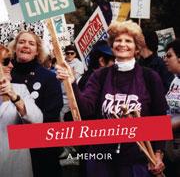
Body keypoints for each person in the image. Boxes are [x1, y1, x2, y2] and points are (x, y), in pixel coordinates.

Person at [56, 20, 167, 177]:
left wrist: (158, 153)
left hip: (136, 161)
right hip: (102, 160)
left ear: (137, 48)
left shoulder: (150, 77)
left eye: (128, 41)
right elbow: (86, 109)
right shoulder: (99, 76)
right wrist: (72, 83)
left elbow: (160, 117)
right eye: (118, 40)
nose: (122, 44)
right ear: (112, 45)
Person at [10, 31, 63, 177]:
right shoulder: (4, 75)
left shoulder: (49, 78)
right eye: (22, 42)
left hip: (40, 152)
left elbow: (51, 119)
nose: (26, 46)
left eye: (31, 43)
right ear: (15, 48)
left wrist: (16, 138)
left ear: (37, 52)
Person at [0, 44, 43, 177]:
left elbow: (37, 121)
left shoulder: (19, 90)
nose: (11, 66)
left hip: (14, 167)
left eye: (11, 61)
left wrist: (15, 97)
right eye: (6, 61)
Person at [163, 38, 180, 177]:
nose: (165, 59)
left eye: (169, 55)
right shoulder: (175, 79)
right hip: (172, 146)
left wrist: (158, 128)